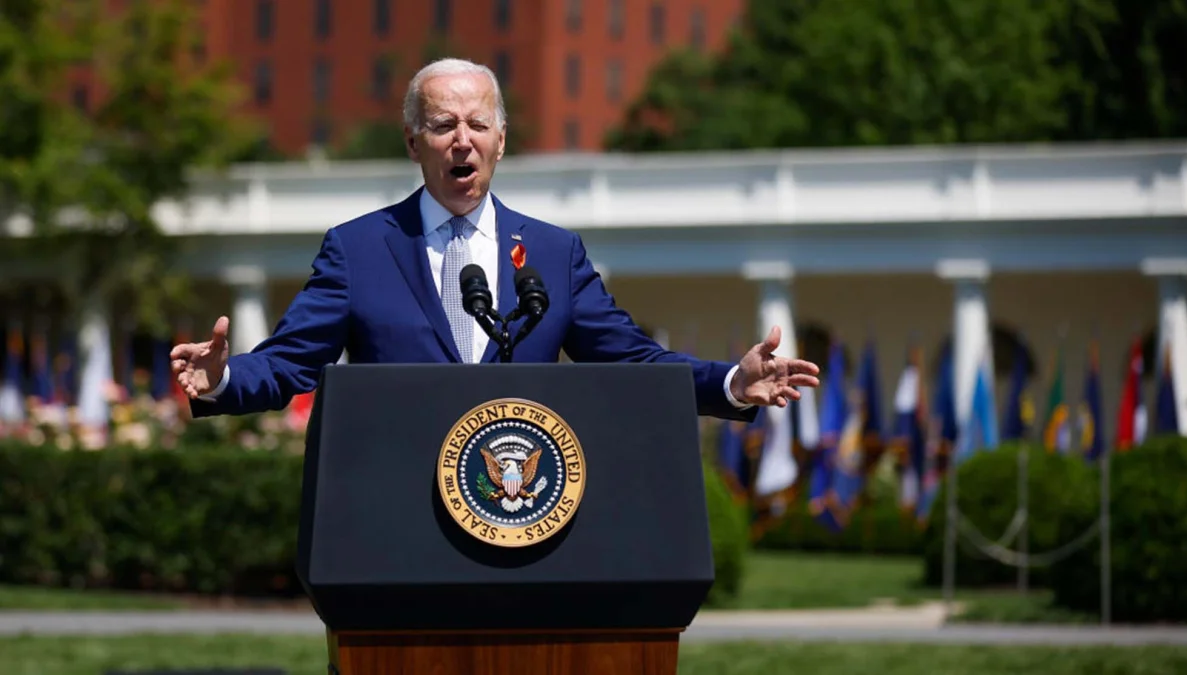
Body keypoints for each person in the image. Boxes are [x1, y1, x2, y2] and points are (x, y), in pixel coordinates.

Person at [171, 58, 819, 422]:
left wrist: (733, 379)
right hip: (394, 510)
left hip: (520, 505)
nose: (462, 139)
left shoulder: (553, 256)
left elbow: (633, 363)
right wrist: (222, 375)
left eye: (478, 123)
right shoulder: (359, 249)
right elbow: (288, 364)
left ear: (500, 141)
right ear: (413, 141)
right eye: (443, 124)